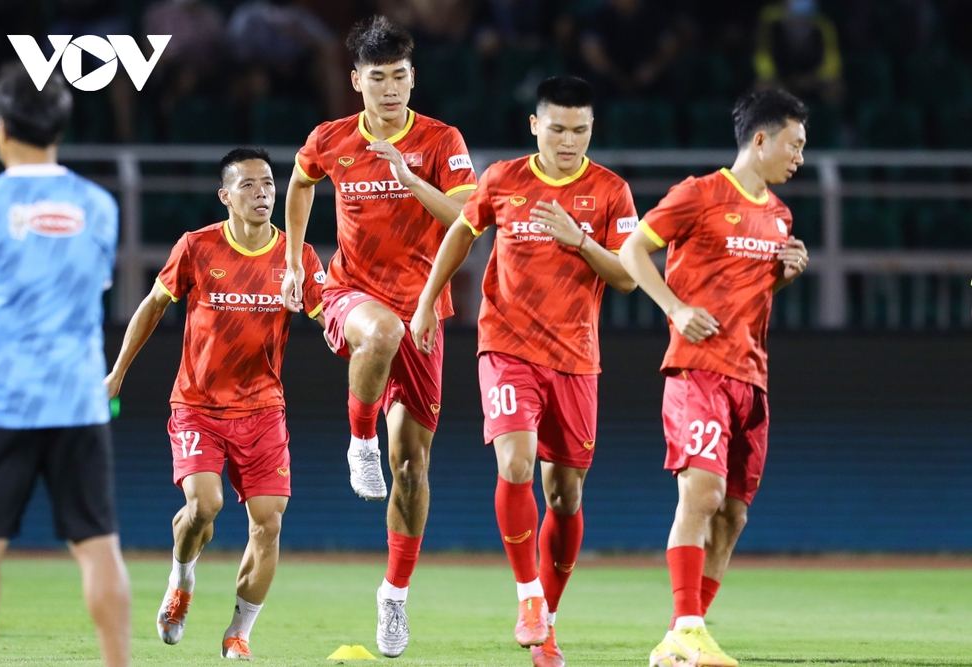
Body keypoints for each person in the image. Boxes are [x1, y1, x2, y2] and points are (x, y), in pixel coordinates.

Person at [411, 75, 639, 667]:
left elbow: (627, 276)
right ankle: (528, 596)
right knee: (514, 460)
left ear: (592, 130)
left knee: (564, 495)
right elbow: (460, 234)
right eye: (558, 127)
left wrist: (580, 241)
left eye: (581, 130)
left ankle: (550, 627)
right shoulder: (503, 180)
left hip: (576, 358)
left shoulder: (611, 191)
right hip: (507, 347)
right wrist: (425, 303)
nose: (569, 140)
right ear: (535, 125)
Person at [281, 14, 477, 658]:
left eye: (400, 77)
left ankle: (393, 598)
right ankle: (358, 439)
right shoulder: (332, 138)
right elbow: (301, 182)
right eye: (378, 78)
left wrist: (410, 176)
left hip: (424, 312)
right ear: (357, 81)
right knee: (380, 332)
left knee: (414, 469)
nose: (391, 88)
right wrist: (291, 262)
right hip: (352, 298)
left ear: (412, 78)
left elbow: (471, 221)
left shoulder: (441, 140)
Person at [104, 148, 326, 660]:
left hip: (264, 410)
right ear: (226, 196)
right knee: (205, 506)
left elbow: (329, 318)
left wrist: (364, 340)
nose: (263, 193)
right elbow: (153, 305)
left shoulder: (297, 255)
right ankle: (182, 579)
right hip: (198, 406)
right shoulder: (198, 247)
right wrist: (117, 373)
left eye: (268, 184)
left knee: (269, 523)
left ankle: (239, 632)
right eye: (248, 185)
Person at [618, 89, 810, 667]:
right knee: (702, 494)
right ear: (760, 139)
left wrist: (785, 277)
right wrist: (674, 308)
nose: (800, 157)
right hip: (698, 369)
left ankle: (681, 640)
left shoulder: (780, 217)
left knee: (733, 514)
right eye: (794, 144)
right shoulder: (698, 194)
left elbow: (748, 291)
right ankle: (686, 629)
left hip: (753, 377)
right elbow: (632, 250)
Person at [0, 64, 130, 667]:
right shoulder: (101, 205)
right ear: (60, 125)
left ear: (1, 127)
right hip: (77, 401)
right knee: (98, 548)